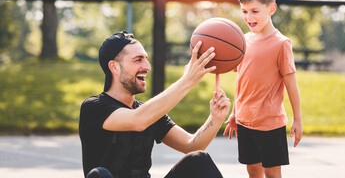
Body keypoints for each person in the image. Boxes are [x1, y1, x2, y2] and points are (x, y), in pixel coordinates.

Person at [79, 31, 231, 178]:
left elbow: (192, 146)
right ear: (114, 67)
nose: (147, 66)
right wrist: (187, 80)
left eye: (146, 58)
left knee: (199, 159)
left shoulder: (147, 112)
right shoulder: (94, 107)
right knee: (99, 174)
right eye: (138, 60)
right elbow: (137, 121)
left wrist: (215, 118)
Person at [224, 0, 303, 178]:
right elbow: (242, 81)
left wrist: (298, 119)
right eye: (244, 11)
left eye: (255, 11)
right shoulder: (242, 41)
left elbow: (291, 85)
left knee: (272, 173)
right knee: (252, 170)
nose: (249, 17)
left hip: (270, 123)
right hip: (245, 121)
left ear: (271, 9)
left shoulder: (281, 43)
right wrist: (235, 112)